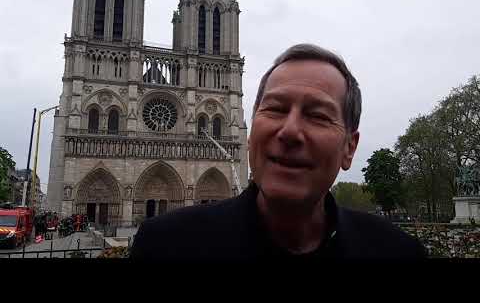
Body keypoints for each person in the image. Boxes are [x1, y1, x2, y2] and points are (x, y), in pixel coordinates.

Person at [130, 43, 426, 261]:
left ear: (350, 148)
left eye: (318, 116)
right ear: (250, 133)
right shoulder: (163, 247)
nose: (289, 131)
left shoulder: (399, 253)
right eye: (275, 109)